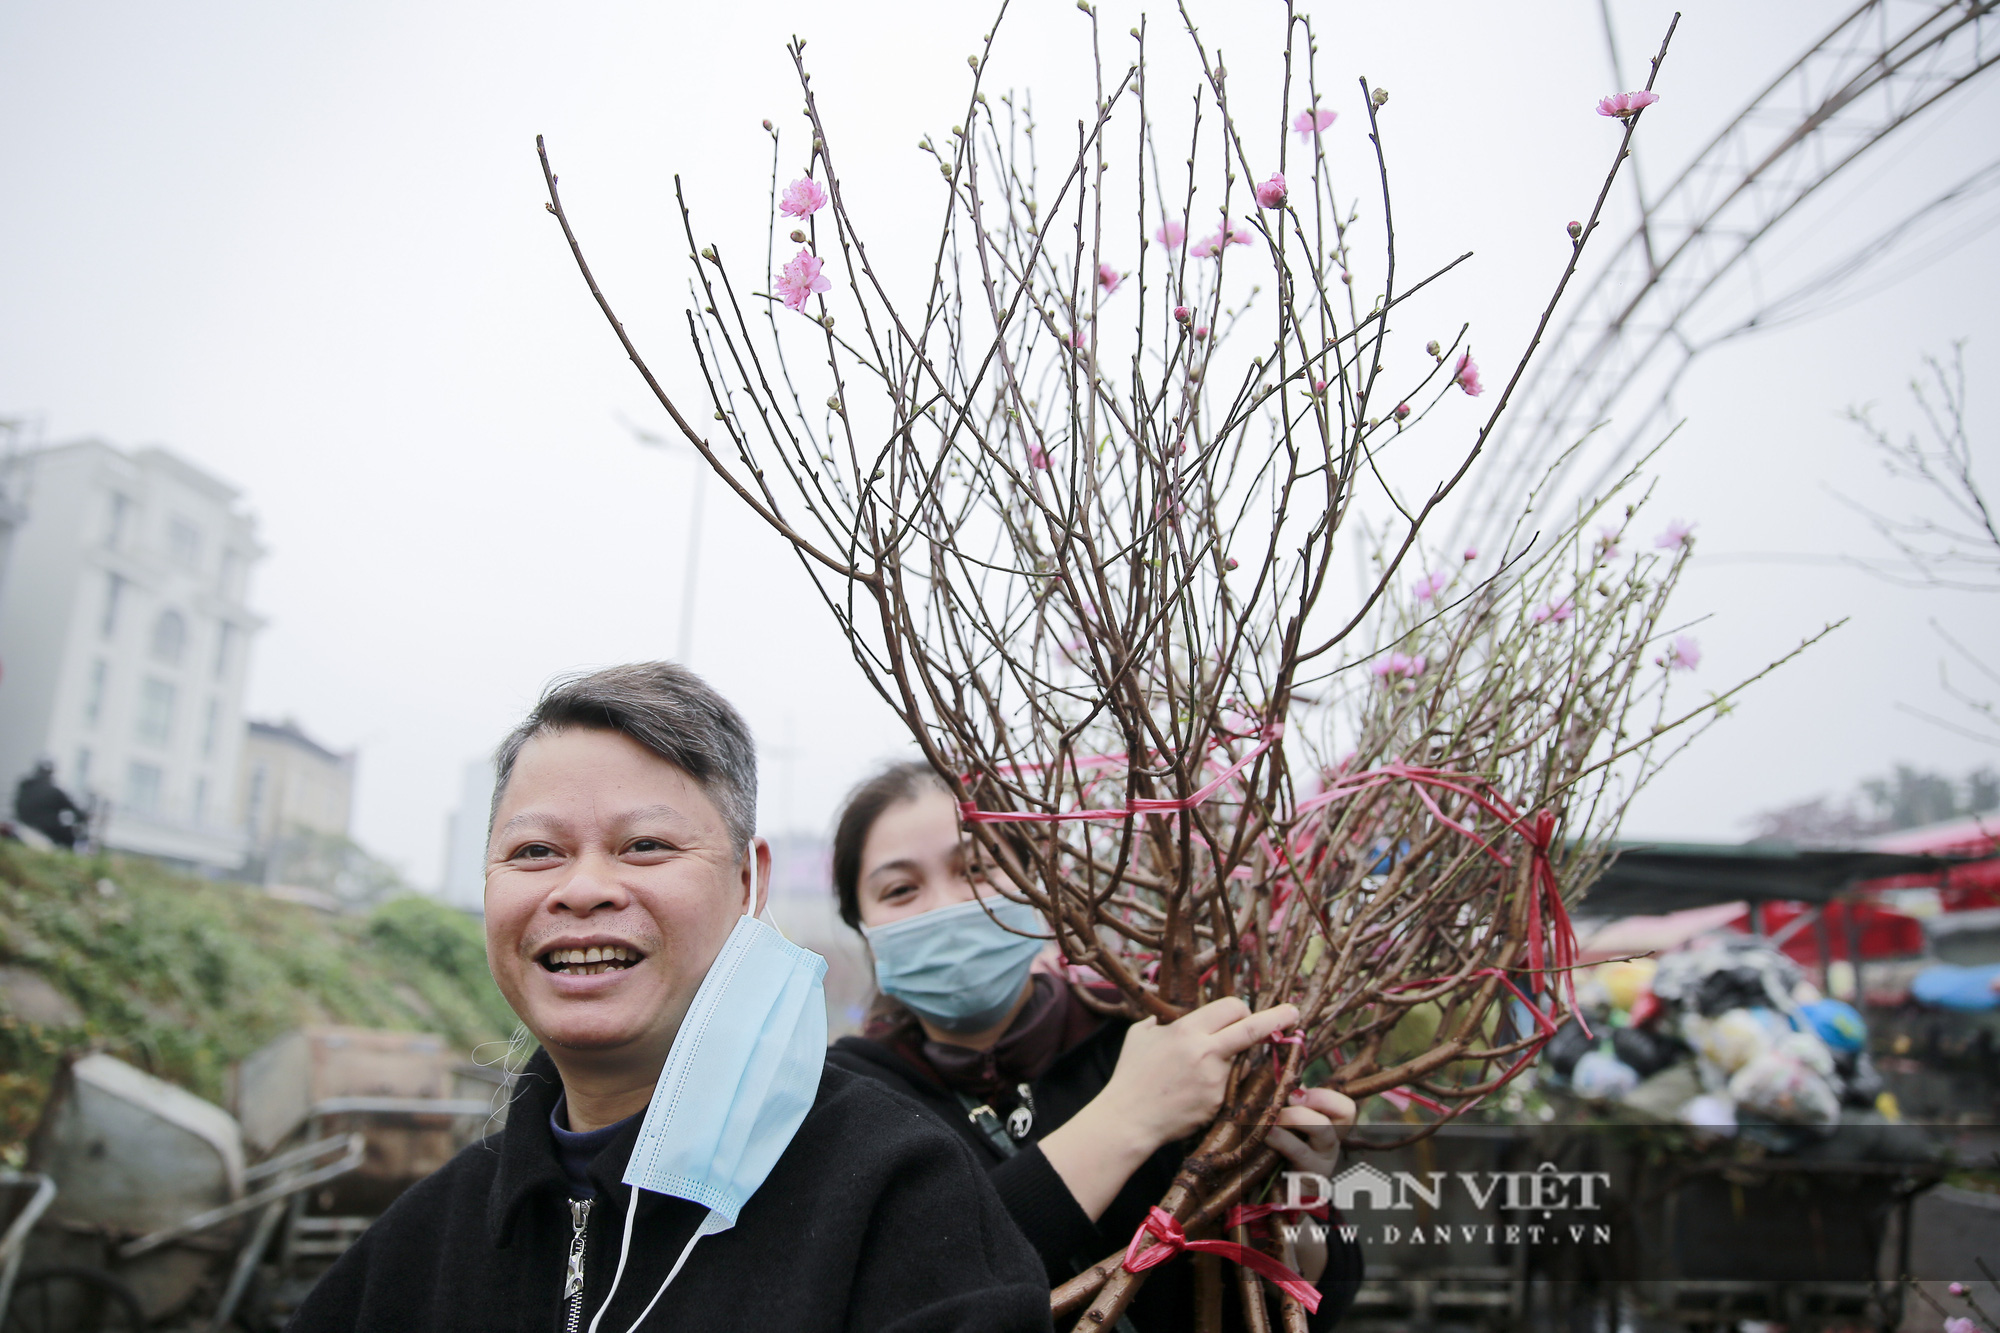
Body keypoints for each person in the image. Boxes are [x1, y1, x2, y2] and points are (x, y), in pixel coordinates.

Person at [289, 665, 1052, 1333]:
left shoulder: (896, 1188)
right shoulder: (420, 1244)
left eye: (645, 845)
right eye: (535, 851)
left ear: (748, 880)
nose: (582, 888)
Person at [826, 762, 1365, 1332]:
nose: (946, 906)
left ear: (1034, 882)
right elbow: (901, 1290)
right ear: (863, 927)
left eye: (978, 868)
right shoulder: (846, 1105)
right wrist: (1128, 1117)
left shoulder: (1160, 1037)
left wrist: (1299, 1202)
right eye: (900, 890)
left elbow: (1318, 1300)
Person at [14, 760, 85, 849]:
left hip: (21, 826)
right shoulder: (55, 792)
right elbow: (76, 811)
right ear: (51, 774)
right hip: (44, 833)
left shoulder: (24, 786)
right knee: (69, 837)